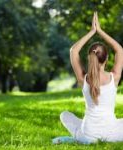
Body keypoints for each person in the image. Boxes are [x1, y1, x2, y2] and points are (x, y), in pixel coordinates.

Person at [52, 12, 123, 144]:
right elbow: (119, 49)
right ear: (107, 59)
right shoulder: (115, 77)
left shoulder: (83, 79)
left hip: (88, 134)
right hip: (112, 134)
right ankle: (77, 138)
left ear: (90, 58)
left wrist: (92, 31)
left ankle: (78, 138)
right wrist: (100, 31)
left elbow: (73, 51)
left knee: (64, 115)